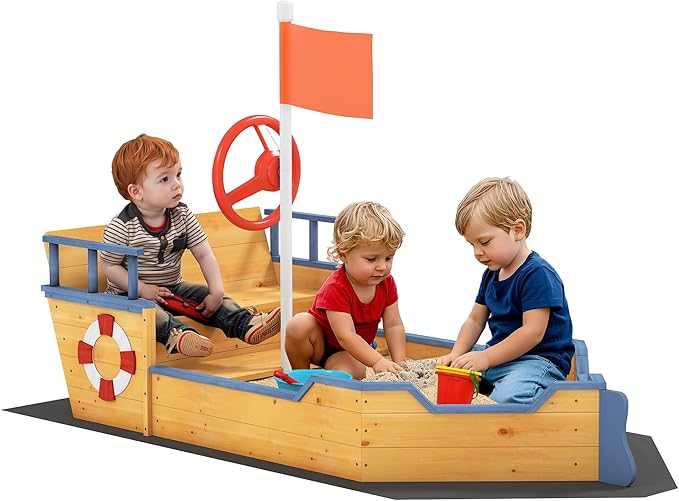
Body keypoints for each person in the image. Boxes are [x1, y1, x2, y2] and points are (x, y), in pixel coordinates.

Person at [100, 134, 281, 357]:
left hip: (172, 287)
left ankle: (246, 324)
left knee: (206, 296)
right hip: (129, 294)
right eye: (165, 179)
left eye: (178, 174)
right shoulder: (122, 227)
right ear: (136, 192)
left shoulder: (182, 215)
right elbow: (110, 266)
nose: (177, 184)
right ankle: (179, 336)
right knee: (148, 311)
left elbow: (204, 254)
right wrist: (142, 289)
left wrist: (216, 291)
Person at [437, 177, 574, 404]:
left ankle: (526, 399)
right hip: (501, 358)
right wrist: (456, 354)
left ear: (517, 230)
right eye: (472, 245)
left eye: (485, 242)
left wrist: (486, 357)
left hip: (538, 361)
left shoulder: (537, 274)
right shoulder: (492, 274)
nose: (477, 252)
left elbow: (533, 332)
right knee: (455, 381)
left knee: (505, 397)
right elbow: (474, 320)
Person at [285, 202, 407, 379]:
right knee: (299, 324)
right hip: (320, 344)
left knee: (351, 374)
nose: (382, 266)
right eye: (371, 259)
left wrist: (400, 363)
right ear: (344, 255)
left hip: (347, 351)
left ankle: (329, 376)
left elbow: (393, 325)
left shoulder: (386, 284)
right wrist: (377, 361)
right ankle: (299, 377)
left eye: (388, 258)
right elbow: (345, 335)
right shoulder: (336, 288)